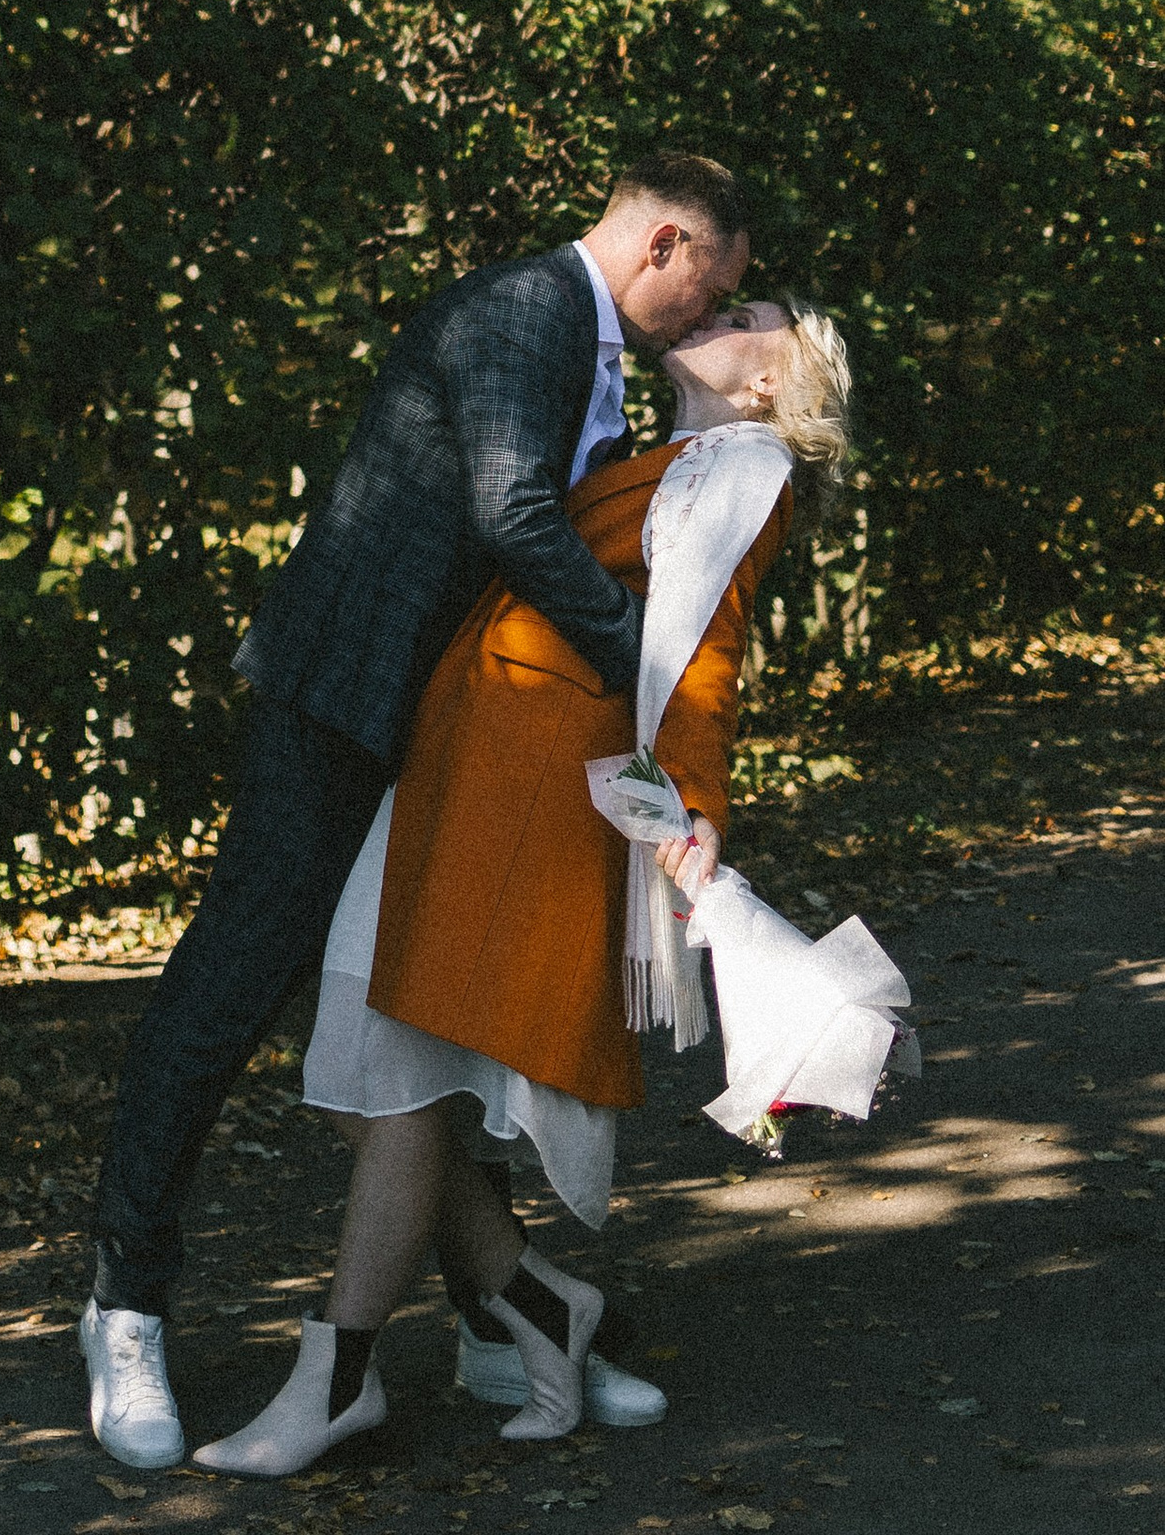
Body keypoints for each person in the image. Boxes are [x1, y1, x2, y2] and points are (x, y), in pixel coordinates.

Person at [80, 155, 754, 1474]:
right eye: (710, 291)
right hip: (339, 709)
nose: (706, 317)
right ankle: (123, 1303)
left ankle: (502, 1320)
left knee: (438, 1019)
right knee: (227, 991)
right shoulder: (525, 311)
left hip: (442, 736)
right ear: (666, 240)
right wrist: (644, 661)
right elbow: (509, 508)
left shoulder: (593, 341)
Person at [190, 293, 853, 1476]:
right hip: (454, 774)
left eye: (753, 310)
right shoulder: (662, 453)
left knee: (396, 1083)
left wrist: (695, 806)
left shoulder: (745, 467)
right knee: (355, 1071)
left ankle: (334, 1373)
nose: (718, 308)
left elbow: (705, 649)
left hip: (529, 798)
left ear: (769, 384)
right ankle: (540, 1308)